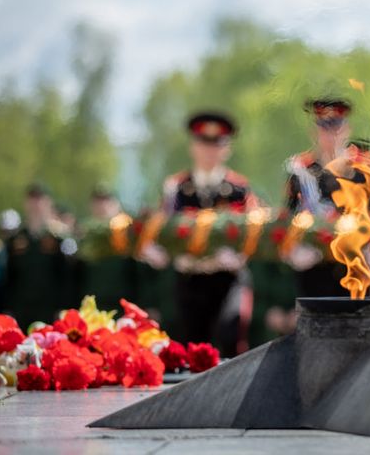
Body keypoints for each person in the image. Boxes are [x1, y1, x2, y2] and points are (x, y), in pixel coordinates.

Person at [161, 111, 259, 356]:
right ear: (193, 146)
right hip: (191, 280)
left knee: (231, 336)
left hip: (227, 279)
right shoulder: (177, 188)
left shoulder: (240, 188)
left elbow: (255, 233)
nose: (210, 152)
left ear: (227, 149)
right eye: (204, 144)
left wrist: (238, 256)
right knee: (191, 349)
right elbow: (162, 230)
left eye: (217, 145)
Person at [284, 97, 365, 297]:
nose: (331, 134)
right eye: (325, 127)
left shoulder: (362, 172)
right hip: (313, 271)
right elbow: (290, 217)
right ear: (315, 131)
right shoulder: (301, 171)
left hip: (354, 270)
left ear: (347, 130)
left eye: (336, 127)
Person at [3, 184, 70, 328]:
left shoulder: (59, 239)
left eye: (40, 199)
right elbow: (8, 276)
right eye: (32, 199)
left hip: (49, 309)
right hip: (21, 308)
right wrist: (7, 308)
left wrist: (63, 308)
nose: (36, 204)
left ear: (49, 203)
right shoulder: (15, 240)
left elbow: (66, 277)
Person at [80, 185, 137, 311]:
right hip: (92, 301)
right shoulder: (84, 233)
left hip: (123, 302)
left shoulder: (127, 231)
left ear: (116, 204)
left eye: (107, 201)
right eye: (98, 202)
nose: (102, 206)